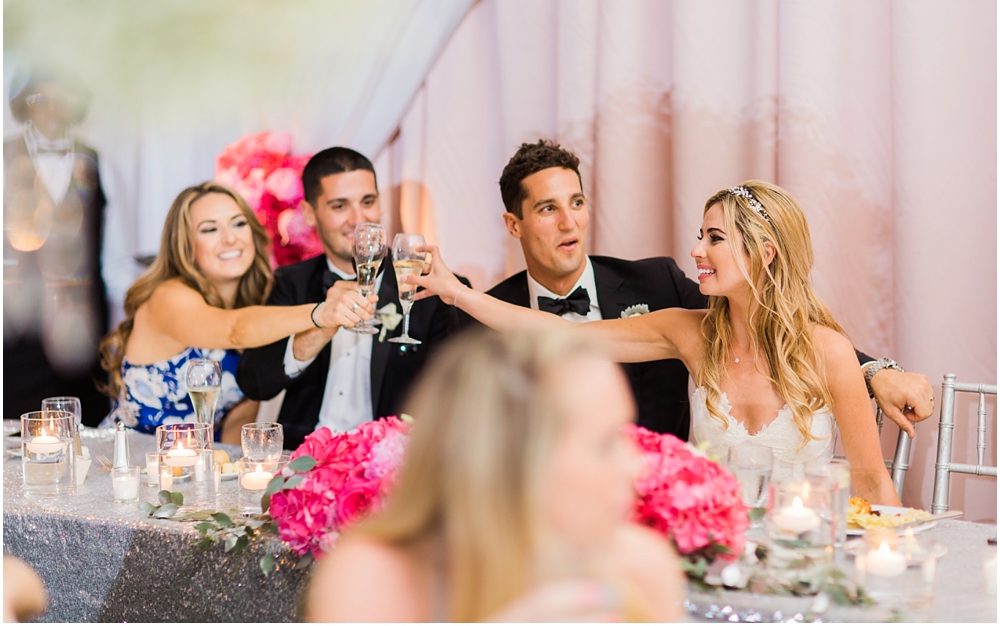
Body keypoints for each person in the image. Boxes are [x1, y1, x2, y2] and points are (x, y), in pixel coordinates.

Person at [410, 181, 905, 504]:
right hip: (708, 557)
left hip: (801, 560)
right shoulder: (688, 332)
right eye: (700, 235)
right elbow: (561, 334)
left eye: (715, 238)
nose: (696, 250)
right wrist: (458, 293)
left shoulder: (828, 352)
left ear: (765, 253)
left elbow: (870, 480)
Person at [483, 141, 934, 439]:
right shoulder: (482, 316)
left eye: (577, 203)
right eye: (548, 209)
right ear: (514, 224)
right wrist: (454, 293)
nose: (570, 222)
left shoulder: (657, 283)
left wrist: (873, 371)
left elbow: (776, 326)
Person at [306, 329, 685, 622]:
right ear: (512, 458)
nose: (636, 467)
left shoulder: (640, 570)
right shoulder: (373, 579)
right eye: (604, 444)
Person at [99, 182, 374, 441]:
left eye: (239, 224)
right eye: (210, 229)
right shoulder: (168, 296)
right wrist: (322, 313)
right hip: (128, 462)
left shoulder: (258, 307)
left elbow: (241, 413)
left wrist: (230, 469)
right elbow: (234, 331)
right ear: (185, 246)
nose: (230, 238)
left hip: (198, 466)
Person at [236, 147, 464, 451]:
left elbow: (456, 398)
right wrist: (321, 325)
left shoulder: (429, 288)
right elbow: (255, 382)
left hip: (389, 461)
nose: (359, 219)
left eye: (368, 202)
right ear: (309, 213)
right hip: (301, 458)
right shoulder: (292, 282)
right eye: (340, 206)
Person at [4, 68, 114, 427]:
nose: (52, 109)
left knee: (82, 423)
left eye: (62, 100)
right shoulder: (3, 156)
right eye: (41, 99)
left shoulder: (95, 159)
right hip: (19, 322)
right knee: (18, 420)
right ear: (25, 104)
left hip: (84, 319)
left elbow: (115, 242)